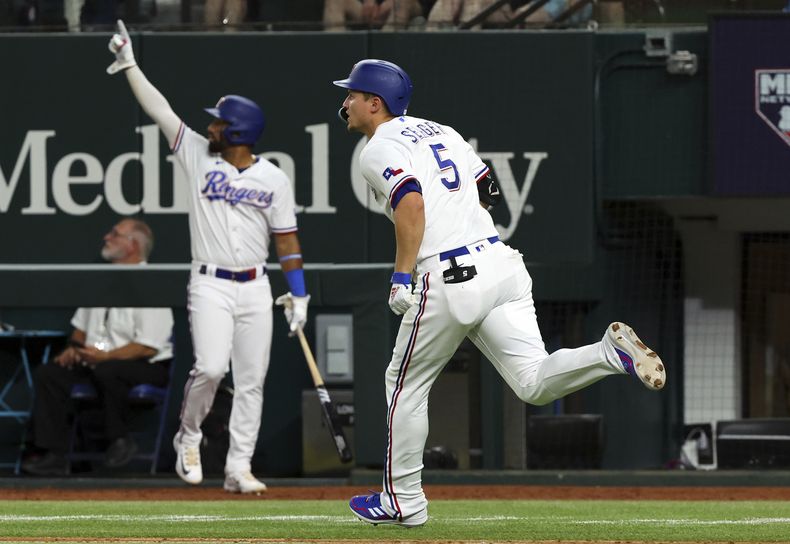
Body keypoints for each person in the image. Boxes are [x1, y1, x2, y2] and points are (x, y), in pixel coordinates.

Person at [332, 59, 666, 527]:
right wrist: (465, 222)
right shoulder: (441, 131)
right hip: (501, 263)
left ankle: (402, 498)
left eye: (352, 94)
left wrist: (402, 275)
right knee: (533, 382)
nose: (344, 101)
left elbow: (410, 203)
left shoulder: (376, 148)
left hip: (448, 274)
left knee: (404, 385)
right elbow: (486, 185)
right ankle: (608, 354)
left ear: (376, 102)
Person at [105, 20, 309, 494]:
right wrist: (130, 64)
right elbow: (162, 111)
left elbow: (287, 241)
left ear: (236, 132)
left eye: (218, 122)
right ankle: (189, 436)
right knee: (212, 368)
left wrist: (298, 295)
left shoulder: (274, 179)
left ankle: (239, 468)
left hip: (256, 285)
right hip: (210, 282)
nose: (210, 126)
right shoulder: (198, 154)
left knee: (252, 380)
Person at [22, 219, 174, 476]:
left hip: (143, 364)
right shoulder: (100, 280)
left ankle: (120, 439)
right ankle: (53, 454)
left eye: (115, 234)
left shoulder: (151, 282)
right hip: (97, 362)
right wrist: (75, 347)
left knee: (109, 371)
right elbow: (81, 327)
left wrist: (105, 356)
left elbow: (147, 346)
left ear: (133, 245)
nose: (106, 237)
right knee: (50, 374)